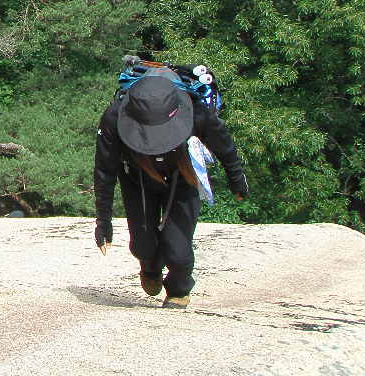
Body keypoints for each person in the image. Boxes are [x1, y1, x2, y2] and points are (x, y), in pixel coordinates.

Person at [93, 68, 248, 309]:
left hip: (182, 178)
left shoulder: (195, 112)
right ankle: (150, 268)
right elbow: (104, 171)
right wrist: (103, 222)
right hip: (137, 179)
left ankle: (178, 289)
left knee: (178, 251)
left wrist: (237, 180)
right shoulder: (114, 117)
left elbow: (224, 146)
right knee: (142, 246)